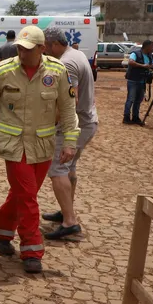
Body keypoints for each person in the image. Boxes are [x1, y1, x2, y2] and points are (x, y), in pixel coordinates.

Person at [0, 25, 80, 274]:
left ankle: (1, 233)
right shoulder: (2, 71)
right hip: (14, 146)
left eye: (27, 50)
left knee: (21, 194)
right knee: (28, 197)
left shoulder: (57, 72)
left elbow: (68, 109)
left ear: (42, 49)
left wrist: (70, 141)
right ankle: (32, 250)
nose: (22, 54)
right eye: (19, 49)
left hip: (43, 146)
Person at [40, 27, 99, 240]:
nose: (43, 51)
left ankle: (70, 222)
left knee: (57, 169)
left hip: (76, 124)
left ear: (54, 44)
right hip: (87, 121)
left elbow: (69, 101)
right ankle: (66, 211)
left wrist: (53, 125)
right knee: (69, 168)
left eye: (45, 46)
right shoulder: (77, 53)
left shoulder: (66, 63)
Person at [124, 40, 153, 125]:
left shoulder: (150, 56)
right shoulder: (135, 53)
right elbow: (130, 62)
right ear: (147, 46)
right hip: (133, 80)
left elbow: (152, 65)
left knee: (138, 100)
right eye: (152, 46)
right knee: (131, 99)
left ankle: (135, 117)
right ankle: (126, 117)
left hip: (142, 81)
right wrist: (143, 66)